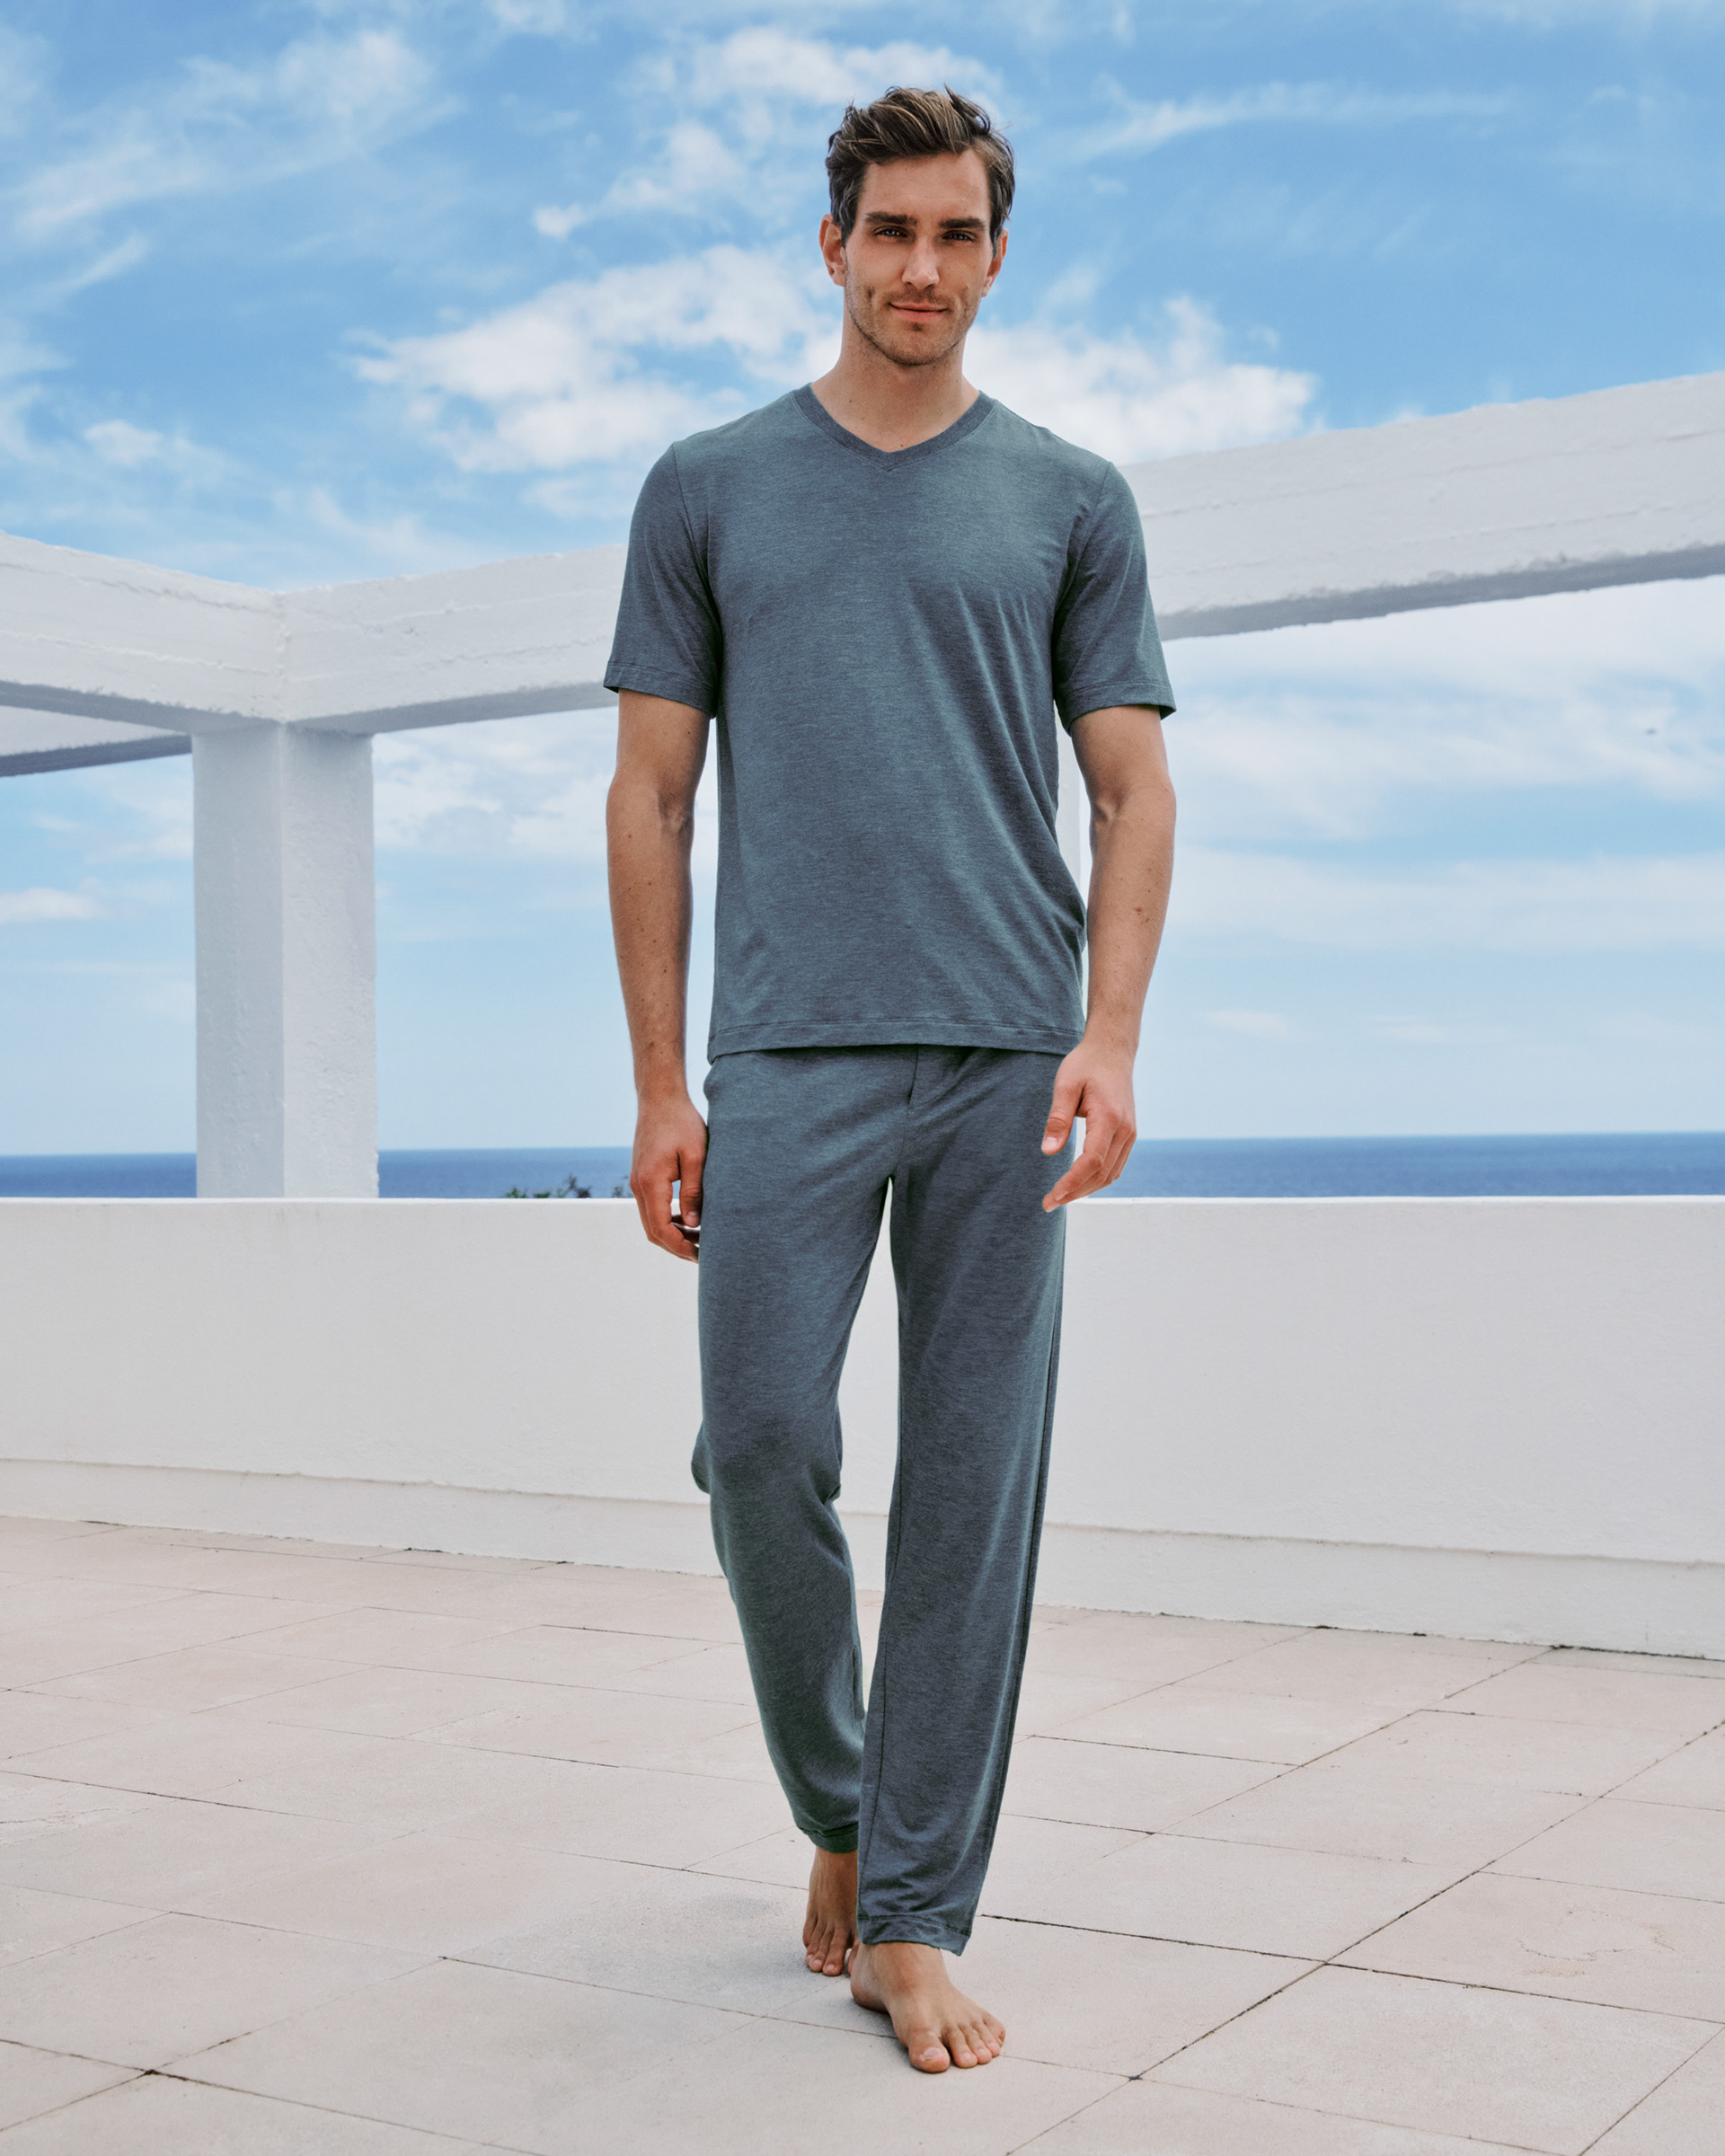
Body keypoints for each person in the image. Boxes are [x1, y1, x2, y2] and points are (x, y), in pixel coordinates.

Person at [604, 84, 1176, 2075]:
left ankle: (914, 1912)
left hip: (1010, 1054)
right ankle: (844, 1802)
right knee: (760, 1445)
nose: (922, 268)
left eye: (958, 234)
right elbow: (651, 795)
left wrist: (1110, 1037)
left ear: (996, 255)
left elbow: (1131, 788)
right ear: (832, 245)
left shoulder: (1072, 498)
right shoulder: (707, 487)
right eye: (891, 232)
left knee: (972, 1490)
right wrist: (663, 1086)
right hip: (784, 1051)